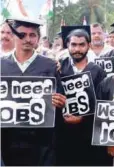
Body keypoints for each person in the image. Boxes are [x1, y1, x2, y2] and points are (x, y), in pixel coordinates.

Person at [0, 17, 66, 166]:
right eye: (22, 35)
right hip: (7, 140)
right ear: (13, 35)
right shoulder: (1, 65)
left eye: (32, 35)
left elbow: (60, 101)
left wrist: (61, 102)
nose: (27, 39)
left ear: (37, 37)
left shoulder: (50, 66)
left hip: (41, 143)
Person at [56, 26, 110, 166]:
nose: (77, 49)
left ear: (89, 46)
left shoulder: (98, 71)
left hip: (88, 134)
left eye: (82, 45)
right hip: (64, 134)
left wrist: (83, 118)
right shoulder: (59, 68)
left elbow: (103, 104)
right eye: (73, 44)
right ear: (67, 45)